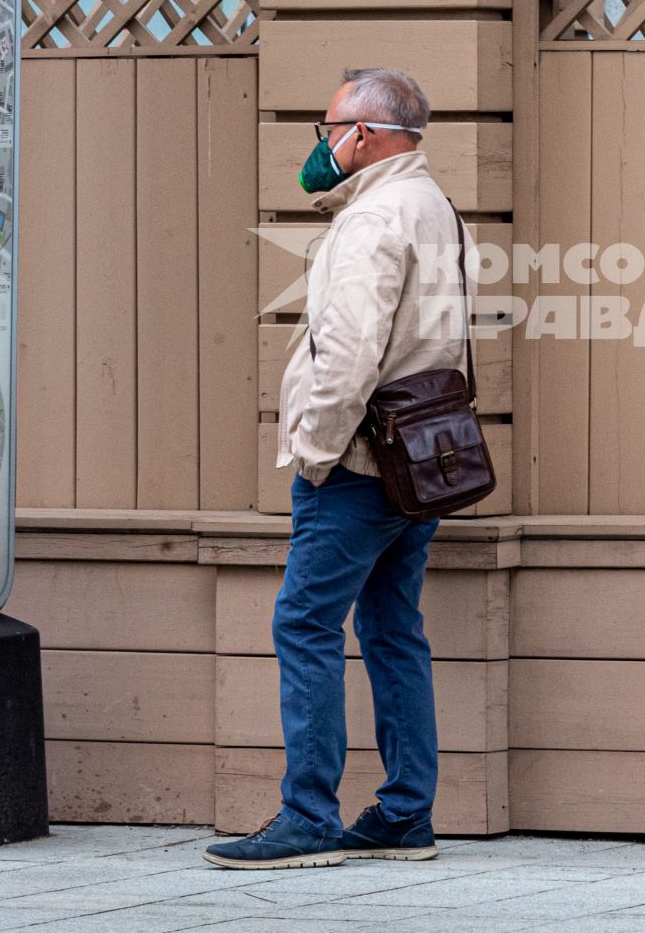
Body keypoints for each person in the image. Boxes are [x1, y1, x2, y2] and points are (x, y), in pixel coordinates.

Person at [205, 68, 468, 871]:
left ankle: (309, 818)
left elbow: (350, 354)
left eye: (330, 129)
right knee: (393, 628)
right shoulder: (432, 205)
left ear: (369, 135)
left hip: (355, 463)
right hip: (416, 461)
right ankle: (403, 813)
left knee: (304, 624)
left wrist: (315, 453)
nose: (321, 146)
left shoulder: (373, 218)